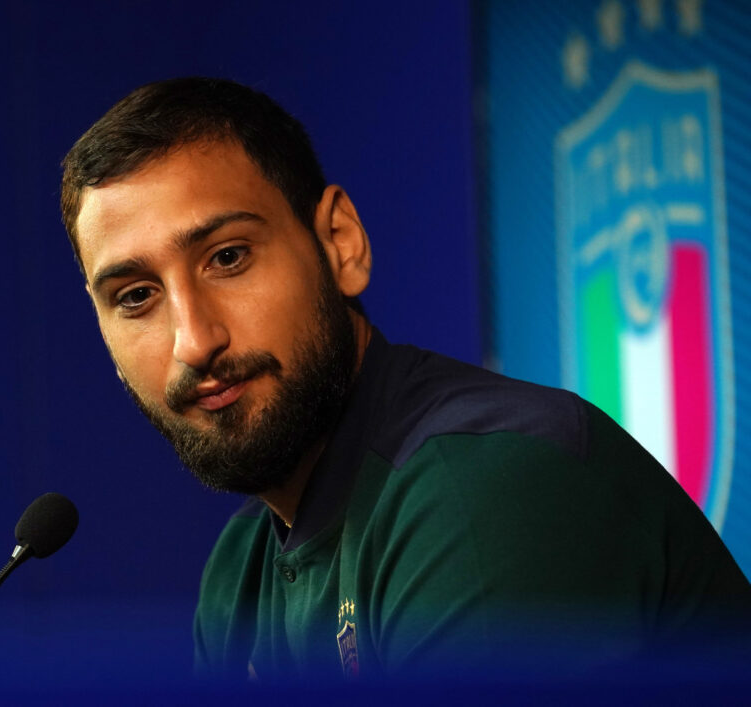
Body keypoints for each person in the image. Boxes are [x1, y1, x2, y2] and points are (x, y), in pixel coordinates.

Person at [59, 77, 751, 682]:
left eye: (229, 257)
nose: (194, 340)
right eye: (136, 297)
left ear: (340, 243)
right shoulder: (239, 572)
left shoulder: (482, 487)